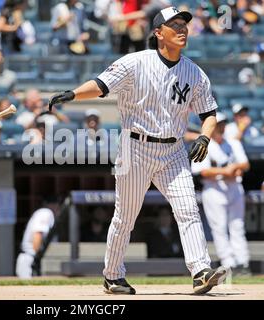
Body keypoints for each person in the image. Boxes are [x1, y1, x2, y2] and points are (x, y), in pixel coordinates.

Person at [48, 6, 228, 295]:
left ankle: (200, 271)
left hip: (173, 152)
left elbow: (209, 114)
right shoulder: (135, 62)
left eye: (184, 24)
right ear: (158, 33)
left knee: (188, 210)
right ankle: (112, 276)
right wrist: (72, 94)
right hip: (136, 148)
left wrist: (205, 138)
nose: (182, 29)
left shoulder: (194, 72)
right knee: (125, 216)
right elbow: (101, 84)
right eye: (174, 25)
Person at [192, 112, 251, 276]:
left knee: (237, 226)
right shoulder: (206, 144)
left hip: (234, 188)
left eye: (223, 124)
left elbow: (245, 164)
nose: (221, 127)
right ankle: (229, 263)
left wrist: (234, 169)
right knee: (219, 228)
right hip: (214, 188)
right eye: (218, 124)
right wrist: (225, 171)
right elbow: (201, 171)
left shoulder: (232, 142)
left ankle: (243, 262)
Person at [16, 197, 59, 278]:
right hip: (31, 260)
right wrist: (38, 259)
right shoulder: (45, 213)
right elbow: (37, 235)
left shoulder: (45, 214)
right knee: (30, 290)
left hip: (32, 259)